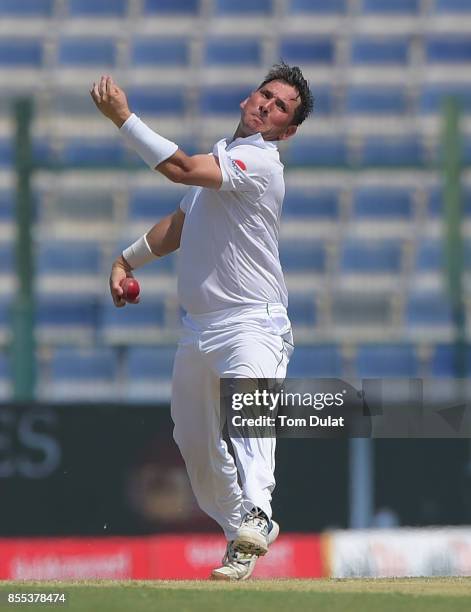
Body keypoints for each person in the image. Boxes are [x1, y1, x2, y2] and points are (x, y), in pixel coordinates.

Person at [90, 62, 313, 580]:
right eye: (265, 95)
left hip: (253, 321)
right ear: (247, 99)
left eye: (280, 107)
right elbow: (180, 225)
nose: (267, 106)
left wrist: (124, 119)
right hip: (200, 328)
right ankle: (243, 530)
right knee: (192, 440)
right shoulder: (222, 157)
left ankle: (259, 508)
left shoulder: (261, 163)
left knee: (249, 412)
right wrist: (127, 260)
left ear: (287, 130)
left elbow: (181, 170)